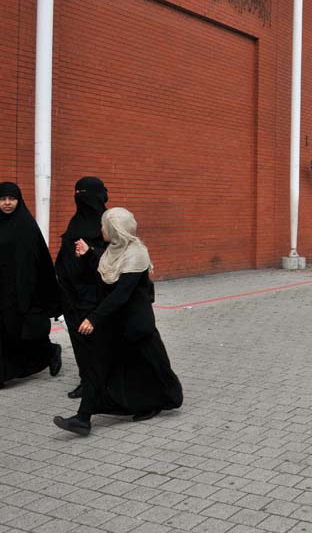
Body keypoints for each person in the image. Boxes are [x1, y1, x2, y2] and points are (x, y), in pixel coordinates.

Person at [53, 208, 182, 436]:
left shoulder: (137, 254)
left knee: (153, 367)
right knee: (96, 366)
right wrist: (89, 253)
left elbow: (120, 293)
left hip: (135, 326)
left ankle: (158, 401)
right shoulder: (113, 250)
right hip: (113, 324)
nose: (101, 229)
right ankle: (83, 419)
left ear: (116, 230)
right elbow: (107, 269)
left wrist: (93, 318)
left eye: (104, 226)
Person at [0, 182, 62, 388]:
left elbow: (41, 261)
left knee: (22, 332)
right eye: (2, 199)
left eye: (12, 199)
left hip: (22, 290)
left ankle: (51, 351)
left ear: (19, 200)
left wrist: (44, 295)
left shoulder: (27, 225)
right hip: (2, 289)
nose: (7, 203)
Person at [55, 177, 108, 399]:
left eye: (85, 193)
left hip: (96, 295)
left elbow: (114, 258)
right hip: (71, 294)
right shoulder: (76, 222)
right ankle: (86, 380)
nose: (81, 198)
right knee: (78, 339)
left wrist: (91, 252)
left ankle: (103, 381)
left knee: (98, 340)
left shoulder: (108, 224)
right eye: (77, 193)